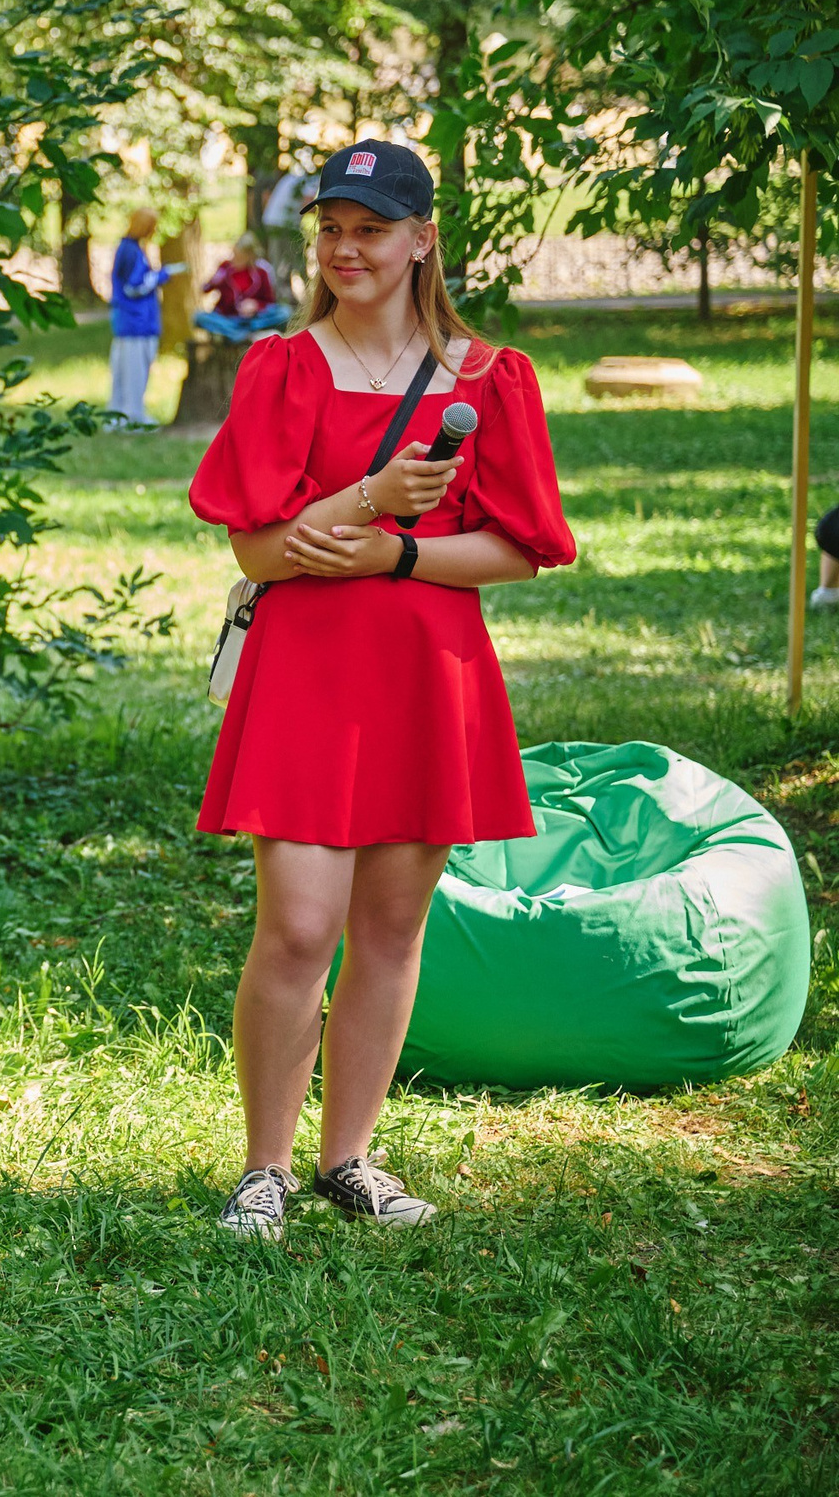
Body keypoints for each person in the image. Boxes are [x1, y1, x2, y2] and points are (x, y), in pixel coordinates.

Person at [188, 141, 575, 1239]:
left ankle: (346, 1157)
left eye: (371, 229)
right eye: (331, 229)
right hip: (308, 673)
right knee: (300, 927)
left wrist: (394, 556)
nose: (346, 250)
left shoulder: (485, 378)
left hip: (426, 676)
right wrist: (372, 496)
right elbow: (259, 553)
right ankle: (262, 1166)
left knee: (392, 928)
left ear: (421, 240)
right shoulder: (283, 367)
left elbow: (520, 550)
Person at [107, 207, 180, 425]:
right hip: (135, 321)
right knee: (133, 373)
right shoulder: (129, 250)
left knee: (126, 371)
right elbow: (134, 286)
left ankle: (118, 416)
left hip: (135, 321)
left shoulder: (132, 249)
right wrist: (161, 276)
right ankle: (131, 416)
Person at [195, 234, 285, 341]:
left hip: (254, 320)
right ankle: (244, 335)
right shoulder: (225, 267)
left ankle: (236, 335)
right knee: (199, 317)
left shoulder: (261, 272)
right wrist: (215, 280)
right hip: (228, 319)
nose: (235, 259)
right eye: (234, 254)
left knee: (284, 312)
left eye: (239, 257)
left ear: (249, 256)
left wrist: (255, 305)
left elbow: (270, 301)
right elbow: (205, 289)